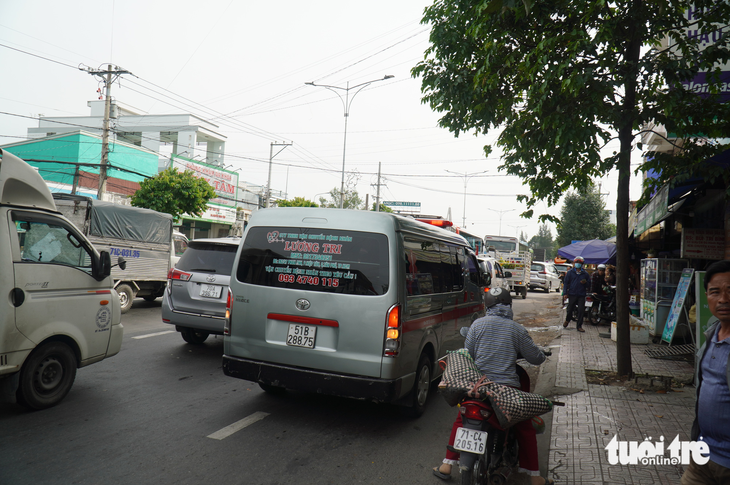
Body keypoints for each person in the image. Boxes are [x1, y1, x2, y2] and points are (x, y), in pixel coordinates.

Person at [433, 287, 553, 485]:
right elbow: (535, 358)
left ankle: (446, 465)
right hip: (506, 392)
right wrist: (540, 354)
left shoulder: (477, 325)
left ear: (486, 305)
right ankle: (535, 477)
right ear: (509, 305)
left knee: (461, 419)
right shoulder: (517, 330)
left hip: (478, 388)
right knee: (524, 426)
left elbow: (469, 354)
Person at [681, 260, 730, 484]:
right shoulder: (711, 334)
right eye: (715, 292)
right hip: (702, 456)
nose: (723, 299)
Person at [562, 256, 591, 332]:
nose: (577, 264)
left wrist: (585, 283)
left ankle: (579, 326)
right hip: (572, 293)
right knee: (570, 309)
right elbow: (566, 283)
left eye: (579, 263)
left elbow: (589, 284)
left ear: (582, 264)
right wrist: (565, 293)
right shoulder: (570, 273)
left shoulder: (585, 274)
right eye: (576, 263)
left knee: (581, 310)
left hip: (581, 294)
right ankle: (567, 320)